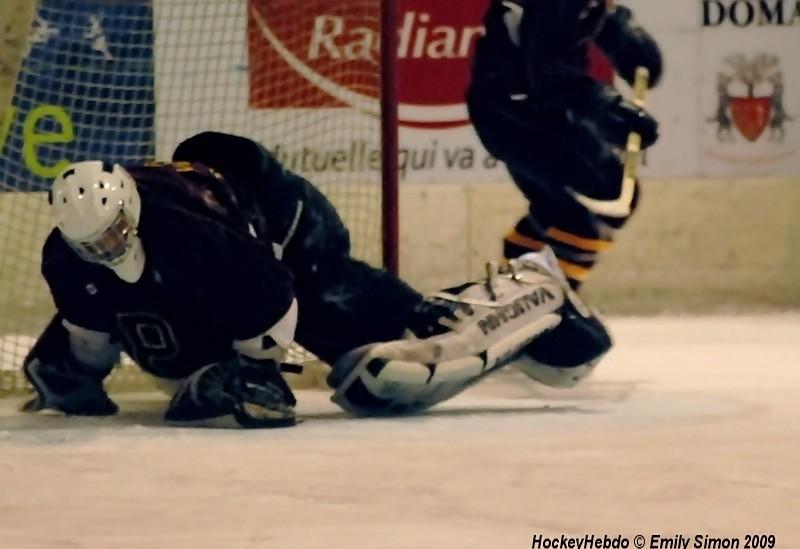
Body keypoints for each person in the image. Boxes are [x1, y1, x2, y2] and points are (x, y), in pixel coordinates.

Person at [23, 132, 611, 429]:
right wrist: (77, 376)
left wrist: (259, 367)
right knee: (182, 350)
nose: (107, 248)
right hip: (235, 236)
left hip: (286, 222)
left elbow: (275, 293)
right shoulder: (68, 258)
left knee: (328, 301)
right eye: (92, 244)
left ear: (129, 210)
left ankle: (534, 292)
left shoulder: (192, 235)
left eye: (113, 234)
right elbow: (88, 324)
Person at [467, 0, 663, 290]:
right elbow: (544, 70)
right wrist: (606, 108)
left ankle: (516, 296)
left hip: (512, 110)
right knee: (605, 200)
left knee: (562, 211)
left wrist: (620, 33)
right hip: (518, 115)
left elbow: (567, 28)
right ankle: (545, 309)